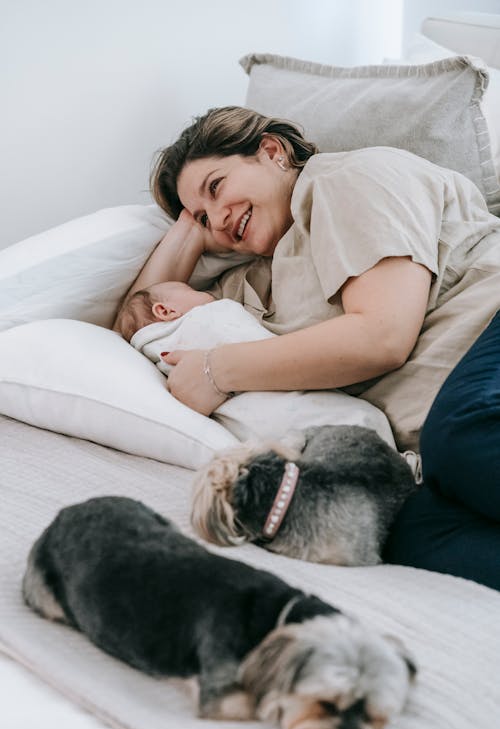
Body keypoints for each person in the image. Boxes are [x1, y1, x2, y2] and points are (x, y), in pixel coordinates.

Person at [115, 106, 500, 590]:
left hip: (488, 339)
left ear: (272, 151)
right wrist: (193, 219)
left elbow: (382, 337)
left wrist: (217, 370)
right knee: (409, 531)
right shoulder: (248, 287)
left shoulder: (346, 180)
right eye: (205, 218)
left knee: (461, 440)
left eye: (217, 186)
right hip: (439, 436)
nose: (218, 219)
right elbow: (142, 315)